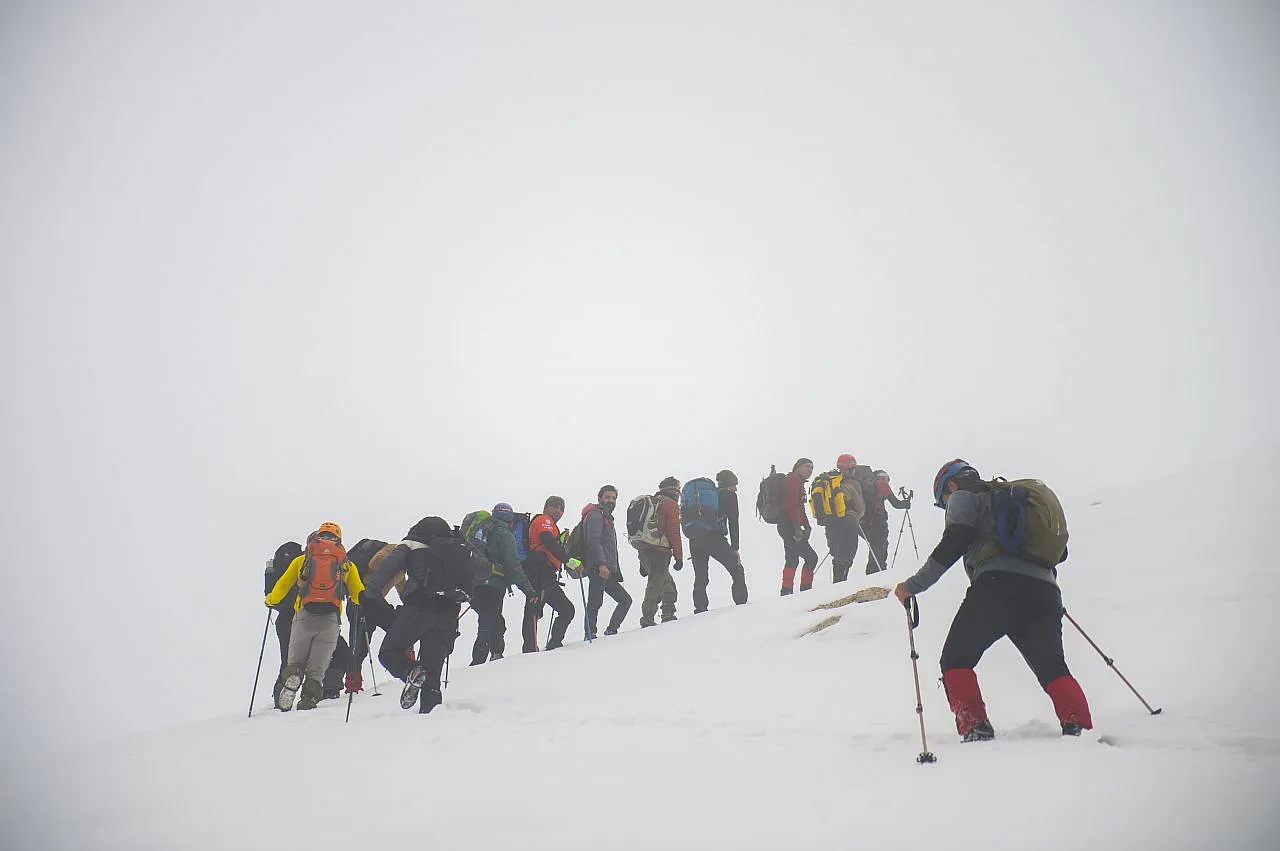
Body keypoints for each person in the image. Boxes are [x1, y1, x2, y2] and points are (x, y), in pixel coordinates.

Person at [894, 460, 1093, 741]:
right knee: (1052, 665)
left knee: (956, 659)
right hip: (1045, 591)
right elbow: (1059, 554)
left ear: (950, 485)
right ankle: (1079, 726)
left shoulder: (964, 495)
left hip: (997, 587)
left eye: (943, 501)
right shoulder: (1011, 500)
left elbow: (955, 540)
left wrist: (913, 586)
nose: (946, 506)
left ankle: (975, 727)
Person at [370, 516, 475, 713]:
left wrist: (370, 593)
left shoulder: (411, 542)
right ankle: (430, 717)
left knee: (389, 653)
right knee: (433, 673)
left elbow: (388, 566)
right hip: (449, 614)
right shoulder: (459, 546)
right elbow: (484, 569)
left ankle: (411, 671)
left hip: (419, 608)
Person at [264, 522, 366, 711]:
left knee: (295, 662)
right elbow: (359, 594)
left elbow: (282, 586)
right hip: (330, 620)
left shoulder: (301, 561)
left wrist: (271, 600)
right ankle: (309, 699)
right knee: (317, 669)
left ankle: (293, 677)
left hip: (304, 616)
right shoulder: (346, 564)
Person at [470, 503, 536, 665]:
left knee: (493, 621)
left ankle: (494, 656)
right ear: (510, 518)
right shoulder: (505, 535)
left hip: (473, 584)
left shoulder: (481, 532)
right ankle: (479, 663)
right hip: (493, 585)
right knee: (488, 623)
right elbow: (513, 565)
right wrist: (529, 590)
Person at [521, 496, 577, 652]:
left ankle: (540, 647)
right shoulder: (544, 520)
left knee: (537, 609)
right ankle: (533, 649)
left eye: (561, 509)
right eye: (555, 507)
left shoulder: (549, 524)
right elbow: (549, 542)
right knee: (536, 610)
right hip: (541, 570)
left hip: (544, 571)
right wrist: (569, 561)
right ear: (546, 508)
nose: (558, 511)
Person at [688, 470, 748, 612]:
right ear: (730, 484)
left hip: (694, 538)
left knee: (701, 575)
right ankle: (742, 606)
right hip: (713, 537)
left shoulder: (708, 496)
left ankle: (700, 608)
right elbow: (734, 521)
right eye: (735, 485)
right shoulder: (728, 495)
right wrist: (735, 547)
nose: (736, 489)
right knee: (737, 569)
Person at [583, 485, 631, 638]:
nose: (611, 500)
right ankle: (590, 635)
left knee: (624, 600)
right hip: (599, 567)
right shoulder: (596, 515)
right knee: (595, 603)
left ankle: (610, 630)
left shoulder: (606, 516)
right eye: (607, 497)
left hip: (606, 569)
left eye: (613, 498)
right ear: (600, 499)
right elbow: (594, 540)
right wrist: (602, 564)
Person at [638, 477, 683, 628]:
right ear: (673, 489)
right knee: (656, 586)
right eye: (678, 489)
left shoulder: (653, 502)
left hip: (644, 551)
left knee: (668, 585)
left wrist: (641, 564)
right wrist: (679, 557)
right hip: (660, 552)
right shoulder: (670, 504)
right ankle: (648, 620)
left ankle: (668, 614)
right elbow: (674, 532)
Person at [825, 454, 868, 584]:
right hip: (849, 520)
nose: (853, 471)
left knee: (838, 554)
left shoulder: (831, 482)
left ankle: (838, 581)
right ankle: (840, 583)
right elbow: (858, 503)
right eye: (852, 469)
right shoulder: (851, 482)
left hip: (832, 522)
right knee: (847, 553)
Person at [778, 458, 819, 595]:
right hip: (789, 524)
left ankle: (787, 590)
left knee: (792, 557)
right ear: (798, 467)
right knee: (810, 557)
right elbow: (792, 505)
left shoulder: (797, 481)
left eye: (812, 467)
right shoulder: (794, 480)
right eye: (807, 466)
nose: (810, 470)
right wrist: (797, 527)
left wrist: (806, 526)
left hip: (786, 524)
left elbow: (799, 507)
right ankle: (803, 590)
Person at [863, 469, 911, 575]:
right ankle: (878, 572)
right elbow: (895, 503)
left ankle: (872, 571)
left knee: (875, 545)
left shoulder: (866, 487)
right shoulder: (882, 484)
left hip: (864, 522)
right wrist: (906, 503)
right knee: (880, 545)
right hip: (878, 521)